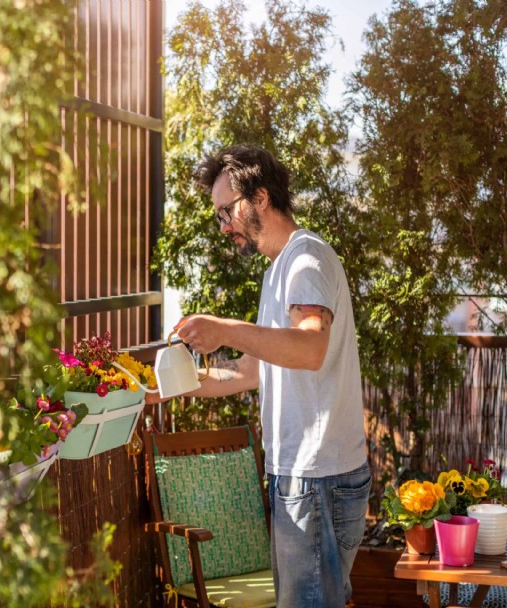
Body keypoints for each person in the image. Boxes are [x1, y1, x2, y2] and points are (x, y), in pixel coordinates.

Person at [149, 143, 370, 607]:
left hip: (317, 479)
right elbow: (252, 372)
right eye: (219, 215)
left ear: (261, 198)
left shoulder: (306, 260)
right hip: (303, 477)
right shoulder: (278, 270)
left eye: (227, 210)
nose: (225, 225)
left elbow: (310, 347)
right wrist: (165, 389)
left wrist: (224, 328)